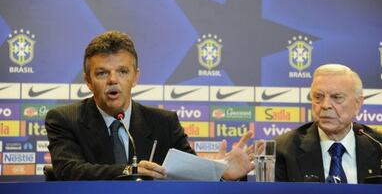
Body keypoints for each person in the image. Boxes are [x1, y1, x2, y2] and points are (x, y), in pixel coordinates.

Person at [45, 30, 254, 180]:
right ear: (88, 81)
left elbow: (189, 176)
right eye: (102, 73)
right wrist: (130, 170)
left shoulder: (164, 123)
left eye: (123, 71)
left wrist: (218, 172)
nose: (112, 80)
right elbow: (69, 170)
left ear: (135, 77)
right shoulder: (64, 120)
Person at [275, 64, 382, 184]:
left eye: (336, 97)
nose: (325, 105)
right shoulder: (284, 150)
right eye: (318, 97)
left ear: (357, 104)